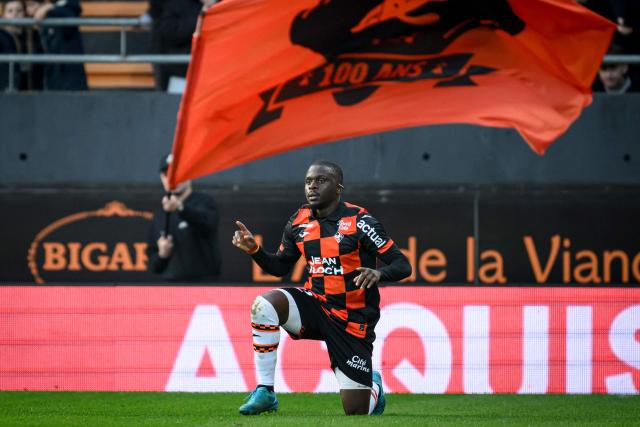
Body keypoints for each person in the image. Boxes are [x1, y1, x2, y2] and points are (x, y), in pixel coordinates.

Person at [232, 160, 411, 416]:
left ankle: (374, 387)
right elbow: (281, 267)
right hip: (316, 304)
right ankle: (265, 391)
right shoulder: (299, 220)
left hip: (352, 319)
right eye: (308, 181)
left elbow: (403, 265)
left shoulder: (361, 221)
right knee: (265, 304)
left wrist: (378, 273)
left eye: (320, 180)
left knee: (356, 411)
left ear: (338, 188)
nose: (312, 186)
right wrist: (255, 251)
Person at [146, 154, 221, 282]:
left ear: (189, 175)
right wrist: (162, 255)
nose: (173, 179)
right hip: (172, 289)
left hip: (204, 285)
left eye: (178, 174)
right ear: (162, 178)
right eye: (168, 175)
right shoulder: (159, 215)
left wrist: (181, 208)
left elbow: (208, 225)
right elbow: (153, 266)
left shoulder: (205, 202)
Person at [32, 0, 87, 90]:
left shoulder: (66, 8)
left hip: (69, 80)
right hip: (47, 79)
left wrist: (50, 8)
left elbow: (70, 19)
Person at [0, 0, 44, 91]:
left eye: (19, 11)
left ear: (24, 13)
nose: (15, 14)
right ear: (3, 15)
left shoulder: (33, 35)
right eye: (10, 11)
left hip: (33, 92)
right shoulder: (1, 35)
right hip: (5, 92)